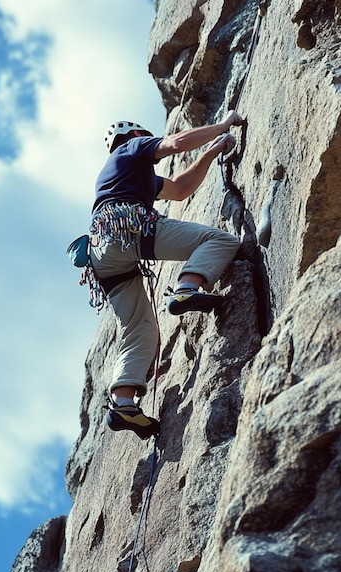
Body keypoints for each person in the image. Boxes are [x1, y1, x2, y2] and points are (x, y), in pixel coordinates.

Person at [90, 111, 243, 439]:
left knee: (138, 328)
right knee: (219, 240)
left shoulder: (130, 176)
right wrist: (223, 124)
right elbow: (175, 143)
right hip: (126, 227)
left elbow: (179, 189)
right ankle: (188, 287)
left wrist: (211, 152)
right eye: (146, 136)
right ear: (135, 136)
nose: (150, 142)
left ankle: (123, 403)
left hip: (102, 254)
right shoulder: (131, 149)